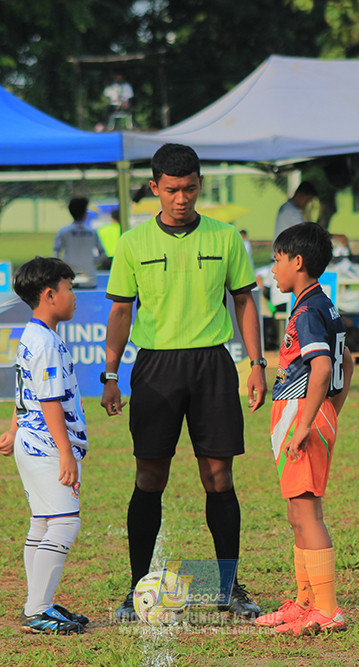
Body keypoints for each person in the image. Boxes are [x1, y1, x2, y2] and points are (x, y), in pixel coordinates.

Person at [100, 143, 266, 621]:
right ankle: (135, 589)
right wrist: (110, 375)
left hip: (213, 365)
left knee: (219, 476)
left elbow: (244, 301)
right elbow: (119, 311)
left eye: (190, 189)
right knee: (150, 476)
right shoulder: (132, 243)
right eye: (171, 190)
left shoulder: (226, 237)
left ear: (200, 186)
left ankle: (228, 586)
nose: (181, 198)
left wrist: (256, 363)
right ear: (154, 188)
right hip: (155, 369)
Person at [253, 222, 354, 636]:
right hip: (305, 413)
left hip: (302, 416)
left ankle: (327, 609)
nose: (272, 269)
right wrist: (332, 409)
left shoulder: (309, 310)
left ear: (298, 262)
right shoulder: (321, 304)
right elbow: (349, 364)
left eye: (276, 261)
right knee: (298, 510)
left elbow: (325, 366)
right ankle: (306, 600)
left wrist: (310, 420)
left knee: (307, 511)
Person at [0, 257, 89, 635]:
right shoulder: (45, 341)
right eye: (69, 288)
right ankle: (37, 609)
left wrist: (13, 425)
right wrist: (66, 453)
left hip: (30, 440)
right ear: (50, 295)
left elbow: (25, 390)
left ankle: (39, 604)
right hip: (45, 447)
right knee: (65, 523)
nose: (74, 295)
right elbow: (48, 400)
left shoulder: (34, 335)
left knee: (44, 522)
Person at [53, 197, 106, 287]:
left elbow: (56, 253)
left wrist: (62, 268)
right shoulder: (92, 232)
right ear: (85, 212)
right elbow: (103, 254)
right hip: (89, 276)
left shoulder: (63, 232)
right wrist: (93, 262)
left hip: (69, 277)